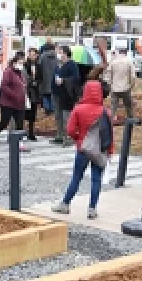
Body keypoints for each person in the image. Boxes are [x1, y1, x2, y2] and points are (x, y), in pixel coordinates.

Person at [52, 80, 114, 219]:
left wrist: (78, 139)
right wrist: (110, 151)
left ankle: (65, 204)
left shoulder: (78, 109)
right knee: (96, 180)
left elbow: (70, 129)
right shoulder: (105, 112)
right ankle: (92, 209)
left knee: (76, 177)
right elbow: (109, 134)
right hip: (99, 150)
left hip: (83, 148)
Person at [0, 52, 31, 150]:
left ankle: (20, 143)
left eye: (22, 63)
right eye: (19, 63)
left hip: (20, 103)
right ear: (14, 62)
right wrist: (14, 95)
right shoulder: (8, 72)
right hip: (8, 103)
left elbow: (23, 86)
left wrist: (24, 97)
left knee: (20, 123)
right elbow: (4, 86)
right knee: (4, 122)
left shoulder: (21, 74)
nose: (21, 65)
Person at [51, 46, 81, 145]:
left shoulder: (72, 65)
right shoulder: (58, 64)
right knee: (58, 116)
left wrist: (63, 80)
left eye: (61, 52)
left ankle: (68, 137)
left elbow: (76, 79)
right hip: (56, 93)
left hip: (66, 95)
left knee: (66, 117)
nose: (59, 54)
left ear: (66, 53)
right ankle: (59, 135)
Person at [106, 47, 136, 122]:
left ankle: (111, 121)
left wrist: (110, 86)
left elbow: (108, 75)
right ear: (126, 53)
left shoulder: (113, 61)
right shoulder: (129, 61)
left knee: (113, 106)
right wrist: (131, 86)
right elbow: (133, 76)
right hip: (125, 88)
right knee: (128, 106)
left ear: (119, 52)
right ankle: (130, 119)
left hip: (115, 88)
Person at [24, 47, 41, 141]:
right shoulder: (25, 65)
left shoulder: (38, 65)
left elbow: (40, 77)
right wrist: (30, 81)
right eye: (30, 54)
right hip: (27, 91)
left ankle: (31, 132)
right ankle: (21, 131)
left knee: (33, 113)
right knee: (24, 112)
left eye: (34, 54)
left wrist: (37, 82)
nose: (32, 56)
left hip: (35, 91)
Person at [37, 41, 58, 116]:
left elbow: (39, 66)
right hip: (53, 79)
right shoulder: (56, 56)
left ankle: (47, 109)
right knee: (52, 94)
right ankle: (52, 109)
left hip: (44, 79)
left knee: (45, 95)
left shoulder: (42, 56)